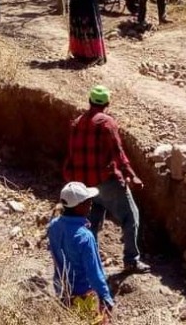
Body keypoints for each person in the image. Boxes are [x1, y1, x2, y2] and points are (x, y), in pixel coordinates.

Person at [64, 85, 149, 274]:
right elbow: (118, 153)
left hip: (83, 184)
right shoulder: (107, 124)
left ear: (90, 101)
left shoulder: (77, 122)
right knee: (131, 216)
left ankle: (87, 260)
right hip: (106, 182)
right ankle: (131, 260)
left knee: (91, 223)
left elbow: (71, 154)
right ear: (107, 103)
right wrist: (132, 176)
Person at [47, 182, 114, 322]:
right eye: (87, 201)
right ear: (78, 206)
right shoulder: (84, 237)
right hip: (84, 295)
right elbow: (94, 272)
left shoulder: (53, 226)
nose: (91, 203)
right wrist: (105, 298)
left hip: (64, 293)